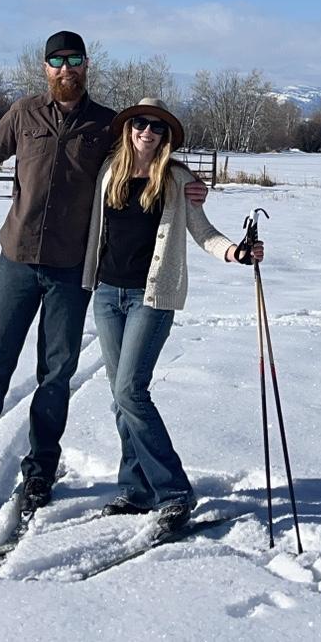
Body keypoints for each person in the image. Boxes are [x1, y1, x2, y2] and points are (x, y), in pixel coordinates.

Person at [0, 32, 206, 518]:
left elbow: (146, 156)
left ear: (87, 65)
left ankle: (41, 469)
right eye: (57, 61)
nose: (66, 69)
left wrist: (190, 182)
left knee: (56, 374)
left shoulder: (107, 124)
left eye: (75, 60)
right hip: (17, 260)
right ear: (44, 67)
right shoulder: (24, 114)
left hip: (70, 269)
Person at [82, 96, 263, 528]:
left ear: (166, 136)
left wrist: (236, 252)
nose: (147, 131)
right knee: (119, 398)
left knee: (131, 391)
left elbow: (202, 231)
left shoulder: (178, 179)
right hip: (107, 294)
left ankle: (175, 491)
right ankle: (137, 488)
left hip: (152, 298)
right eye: (140, 123)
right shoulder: (109, 170)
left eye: (157, 127)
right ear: (128, 129)